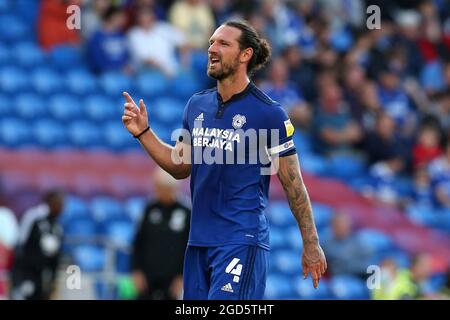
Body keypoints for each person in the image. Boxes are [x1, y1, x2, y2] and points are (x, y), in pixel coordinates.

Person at [121, 20, 326, 300]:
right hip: (198, 243)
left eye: (223, 43)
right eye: (211, 43)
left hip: (241, 239)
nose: (212, 49)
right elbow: (180, 167)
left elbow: (294, 185)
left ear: (245, 55)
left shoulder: (269, 114)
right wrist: (144, 132)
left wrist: (311, 243)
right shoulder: (197, 105)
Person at [131, 168, 190, 300]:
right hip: (147, 278)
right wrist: (136, 270)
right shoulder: (150, 208)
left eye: (162, 188)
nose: (157, 191)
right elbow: (138, 242)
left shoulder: (186, 211)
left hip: (173, 280)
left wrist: (183, 276)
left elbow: (190, 248)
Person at [10, 190, 65, 300]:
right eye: (59, 203)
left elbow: (54, 256)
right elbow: (21, 244)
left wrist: (52, 279)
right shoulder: (33, 217)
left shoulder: (57, 226)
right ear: (50, 202)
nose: (61, 207)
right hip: (27, 275)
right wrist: (18, 279)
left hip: (43, 278)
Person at [321, 212, 372, 279]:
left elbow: (367, 255)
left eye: (345, 224)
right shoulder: (326, 243)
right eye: (339, 225)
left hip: (361, 274)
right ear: (333, 227)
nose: (343, 227)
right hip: (342, 277)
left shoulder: (356, 240)